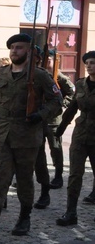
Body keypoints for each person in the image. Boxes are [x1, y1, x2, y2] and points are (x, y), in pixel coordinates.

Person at [0, 33, 62, 241]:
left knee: (23, 179)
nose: (15, 51)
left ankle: (24, 217)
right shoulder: (0, 74)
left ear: (29, 51)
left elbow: (56, 101)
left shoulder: (39, 76)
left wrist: (40, 115)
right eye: (12, 47)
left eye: (20, 48)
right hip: (2, 133)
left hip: (27, 135)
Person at [55, 51, 95, 225]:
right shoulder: (81, 84)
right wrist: (61, 128)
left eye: (93, 63)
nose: (89, 66)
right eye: (87, 63)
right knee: (74, 175)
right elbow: (72, 108)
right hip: (80, 135)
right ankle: (70, 213)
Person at [33, 48, 74, 196]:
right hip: (38, 116)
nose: (46, 63)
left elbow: (72, 92)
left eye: (49, 60)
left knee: (55, 147)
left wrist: (63, 103)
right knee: (36, 148)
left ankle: (58, 175)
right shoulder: (38, 74)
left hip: (53, 119)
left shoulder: (60, 77)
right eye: (44, 60)